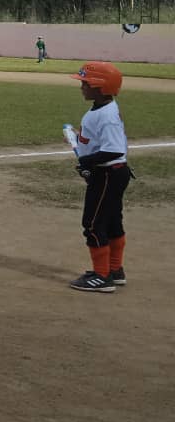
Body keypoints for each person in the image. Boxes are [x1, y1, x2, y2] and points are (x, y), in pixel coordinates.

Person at [67, 62, 133, 293]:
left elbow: (114, 149)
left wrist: (86, 161)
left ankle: (102, 276)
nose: (82, 87)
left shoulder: (107, 116)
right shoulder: (101, 108)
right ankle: (115, 270)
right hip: (110, 173)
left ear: (100, 87)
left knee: (93, 223)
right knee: (112, 221)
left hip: (108, 174)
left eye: (86, 83)